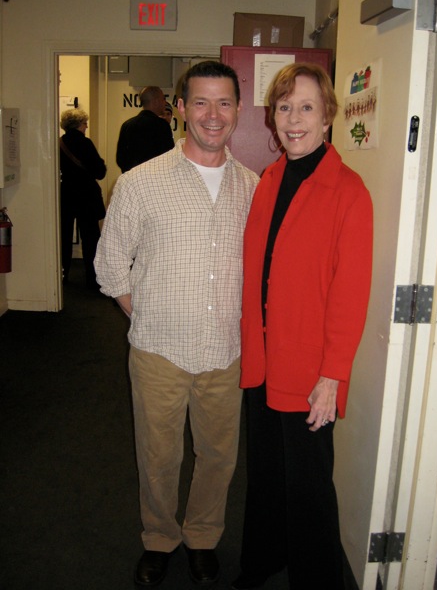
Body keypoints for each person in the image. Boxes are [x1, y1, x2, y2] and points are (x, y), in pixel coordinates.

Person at [94, 61, 259, 588]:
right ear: (180, 109)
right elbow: (110, 266)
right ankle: (160, 538)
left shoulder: (253, 188)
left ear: (238, 110)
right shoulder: (140, 183)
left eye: (224, 103)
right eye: (201, 102)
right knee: (158, 457)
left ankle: (203, 537)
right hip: (158, 352)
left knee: (219, 457)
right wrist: (146, 316)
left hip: (225, 352)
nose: (213, 115)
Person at [232, 63, 373, 590]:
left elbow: (350, 295)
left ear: (328, 115)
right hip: (265, 360)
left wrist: (332, 376)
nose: (294, 120)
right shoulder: (269, 180)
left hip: (311, 373)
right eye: (285, 107)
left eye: (306, 108)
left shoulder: (348, 191)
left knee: (310, 488)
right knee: (266, 475)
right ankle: (263, 562)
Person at [59, 108, 106, 288]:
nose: (86, 126)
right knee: (90, 238)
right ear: (79, 124)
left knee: (64, 236)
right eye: (85, 123)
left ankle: (62, 275)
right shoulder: (85, 143)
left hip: (66, 194)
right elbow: (99, 171)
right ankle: (92, 278)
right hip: (86, 195)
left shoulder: (59, 143)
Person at [116, 86, 174, 173]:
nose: (165, 102)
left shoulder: (127, 125)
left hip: (132, 177)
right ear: (156, 102)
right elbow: (168, 156)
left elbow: (120, 159)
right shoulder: (162, 126)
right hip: (155, 177)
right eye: (163, 99)